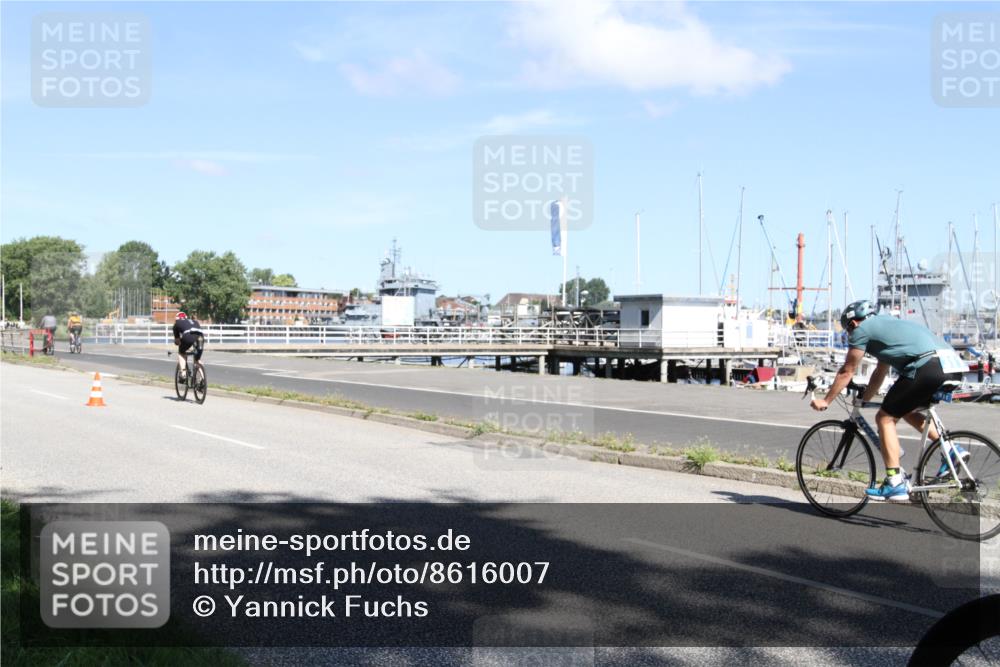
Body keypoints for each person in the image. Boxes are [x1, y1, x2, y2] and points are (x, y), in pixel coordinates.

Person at [810, 300, 967, 501]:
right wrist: (864, 401)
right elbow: (879, 373)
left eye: (848, 331)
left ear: (853, 323)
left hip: (927, 367)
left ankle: (895, 482)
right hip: (952, 366)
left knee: (884, 418)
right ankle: (952, 450)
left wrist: (827, 400)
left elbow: (847, 371)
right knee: (905, 409)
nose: (850, 336)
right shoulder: (886, 326)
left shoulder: (862, 330)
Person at [172, 312, 204, 380]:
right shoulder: (194, 321)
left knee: (181, 353)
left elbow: (177, 341)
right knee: (197, 359)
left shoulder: (177, 323)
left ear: (177, 319)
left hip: (188, 335)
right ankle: (202, 380)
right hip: (200, 337)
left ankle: (183, 374)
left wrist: (177, 342)